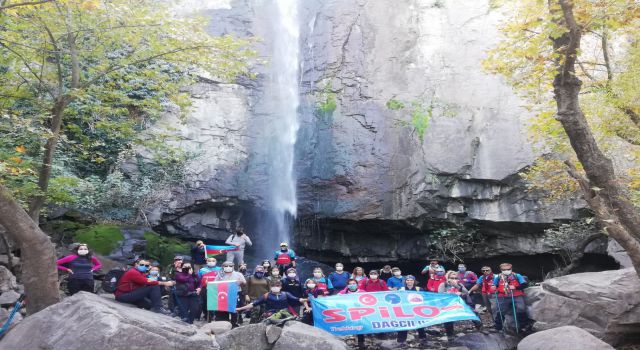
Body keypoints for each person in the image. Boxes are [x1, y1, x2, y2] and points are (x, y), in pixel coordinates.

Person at [438, 271, 482, 341]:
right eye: (452, 278)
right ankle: (450, 335)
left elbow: (466, 293)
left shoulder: (460, 285)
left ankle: (480, 328)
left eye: (456, 278)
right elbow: (440, 295)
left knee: (474, 313)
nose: (454, 279)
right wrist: (450, 294)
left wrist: (456, 286)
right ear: (448, 278)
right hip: (449, 305)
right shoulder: (443, 285)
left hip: (461, 304)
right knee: (448, 318)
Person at [236, 280, 306, 322]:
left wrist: (309, 299)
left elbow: (298, 299)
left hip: (285, 314)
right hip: (270, 314)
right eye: (273, 286)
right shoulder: (266, 295)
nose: (275, 287)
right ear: (271, 287)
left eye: (277, 286)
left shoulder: (286, 294)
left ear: (281, 287)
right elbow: (254, 303)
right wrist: (240, 308)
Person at [491, 263, 528, 333]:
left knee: (521, 308)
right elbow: (494, 284)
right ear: (501, 270)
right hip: (503, 296)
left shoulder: (517, 276)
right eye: (504, 270)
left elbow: (524, 284)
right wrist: (494, 287)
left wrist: (515, 287)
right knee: (500, 310)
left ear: (511, 269)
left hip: (517, 295)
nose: (506, 271)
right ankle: (498, 327)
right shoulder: (498, 277)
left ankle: (524, 326)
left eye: (508, 269)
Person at [214, 261, 247, 327]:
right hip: (224, 294)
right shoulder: (220, 275)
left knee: (235, 309)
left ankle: (234, 324)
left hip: (236, 293)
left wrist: (241, 282)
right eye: (226, 266)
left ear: (233, 266)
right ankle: (224, 323)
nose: (228, 267)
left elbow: (244, 283)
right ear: (223, 267)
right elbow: (215, 284)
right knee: (224, 309)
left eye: (230, 266)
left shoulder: (238, 274)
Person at [397, 275, 427, 345]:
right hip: (405, 310)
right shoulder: (401, 289)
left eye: (411, 280)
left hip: (417, 310)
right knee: (403, 325)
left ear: (414, 281)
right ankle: (401, 340)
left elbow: (424, 298)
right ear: (405, 281)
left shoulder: (419, 289)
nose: (409, 281)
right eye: (407, 280)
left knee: (420, 324)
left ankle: (423, 339)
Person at [338, 279, 367, 350]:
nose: (352, 285)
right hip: (347, 313)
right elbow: (335, 299)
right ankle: (348, 343)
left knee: (360, 327)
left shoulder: (362, 292)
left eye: (354, 283)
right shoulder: (343, 292)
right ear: (347, 285)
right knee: (348, 327)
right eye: (350, 284)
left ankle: (361, 343)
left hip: (360, 313)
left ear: (357, 284)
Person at [197, 257, 221, 321]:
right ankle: (205, 315)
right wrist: (199, 288)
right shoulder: (202, 270)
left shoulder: (220, 269)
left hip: (216, 288)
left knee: (213, 302)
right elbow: (199, 280)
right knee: (203, 302)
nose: (211, 262)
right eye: (209, 261)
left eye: (213, 261)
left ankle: (213, 315)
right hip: (204, 288)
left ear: (216, 262)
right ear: (206, 262)